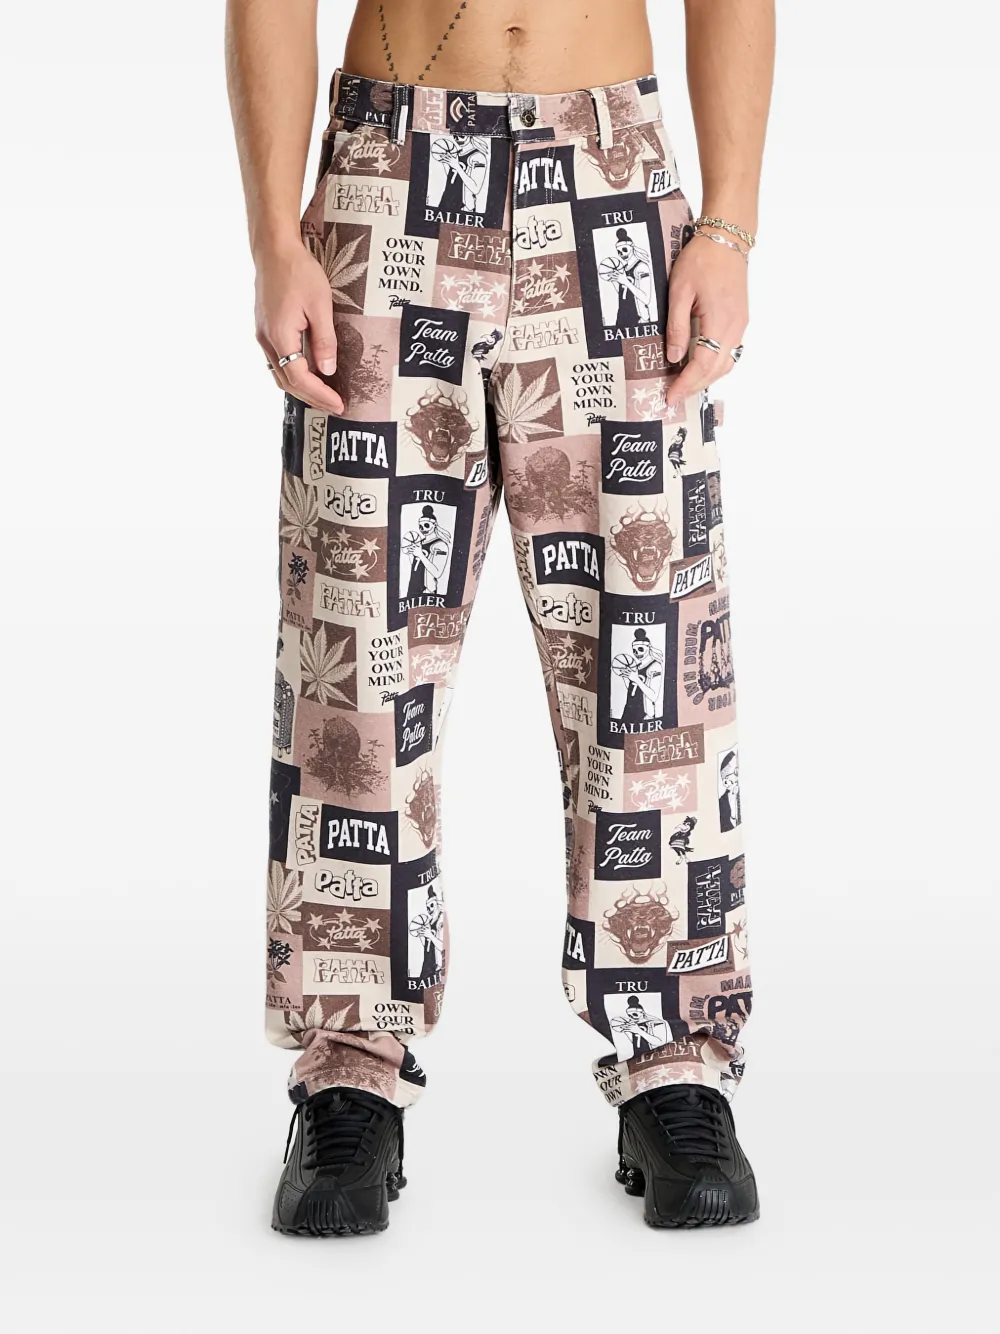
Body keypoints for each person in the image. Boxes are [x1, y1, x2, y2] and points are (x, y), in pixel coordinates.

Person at [226, 0, 774, 1234]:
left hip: (605, 170)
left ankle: (674, 1060)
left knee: (648, 637)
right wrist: (272, 233)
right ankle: (348, 1070)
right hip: (392, 173)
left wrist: (728, 224)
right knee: (359, 639)